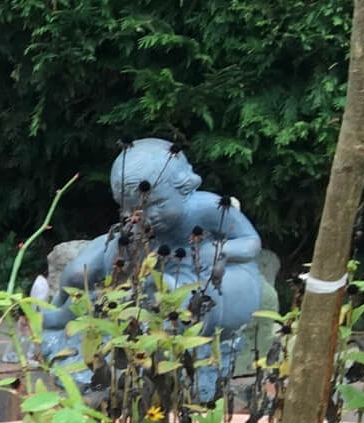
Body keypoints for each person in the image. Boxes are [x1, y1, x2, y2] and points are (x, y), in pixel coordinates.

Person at [35, 139, 265, 403]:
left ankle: (154, 360)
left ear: (185, 187)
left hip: (198, 274)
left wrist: (220, 250)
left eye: (154, 203)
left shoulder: (207, 208)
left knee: (176, 300)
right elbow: (117, 257)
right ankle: (57, 315)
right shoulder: (138, 223)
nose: (143, 215)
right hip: (151, 270)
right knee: (79, 272)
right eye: (131, 208)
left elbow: (251, 243)